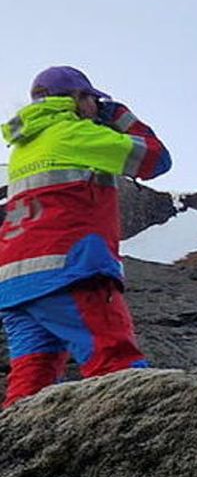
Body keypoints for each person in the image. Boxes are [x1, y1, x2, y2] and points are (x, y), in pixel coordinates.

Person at [0, 65, 171, 407]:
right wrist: (120, 116)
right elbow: (156, 159)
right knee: (116, 363)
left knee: (30, 384)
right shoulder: (74, 134)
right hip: (68, 269)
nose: (97, 107)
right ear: (77, 98)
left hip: (14, 284)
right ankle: (143, 449)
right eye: (93, 100)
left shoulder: (23, 146)